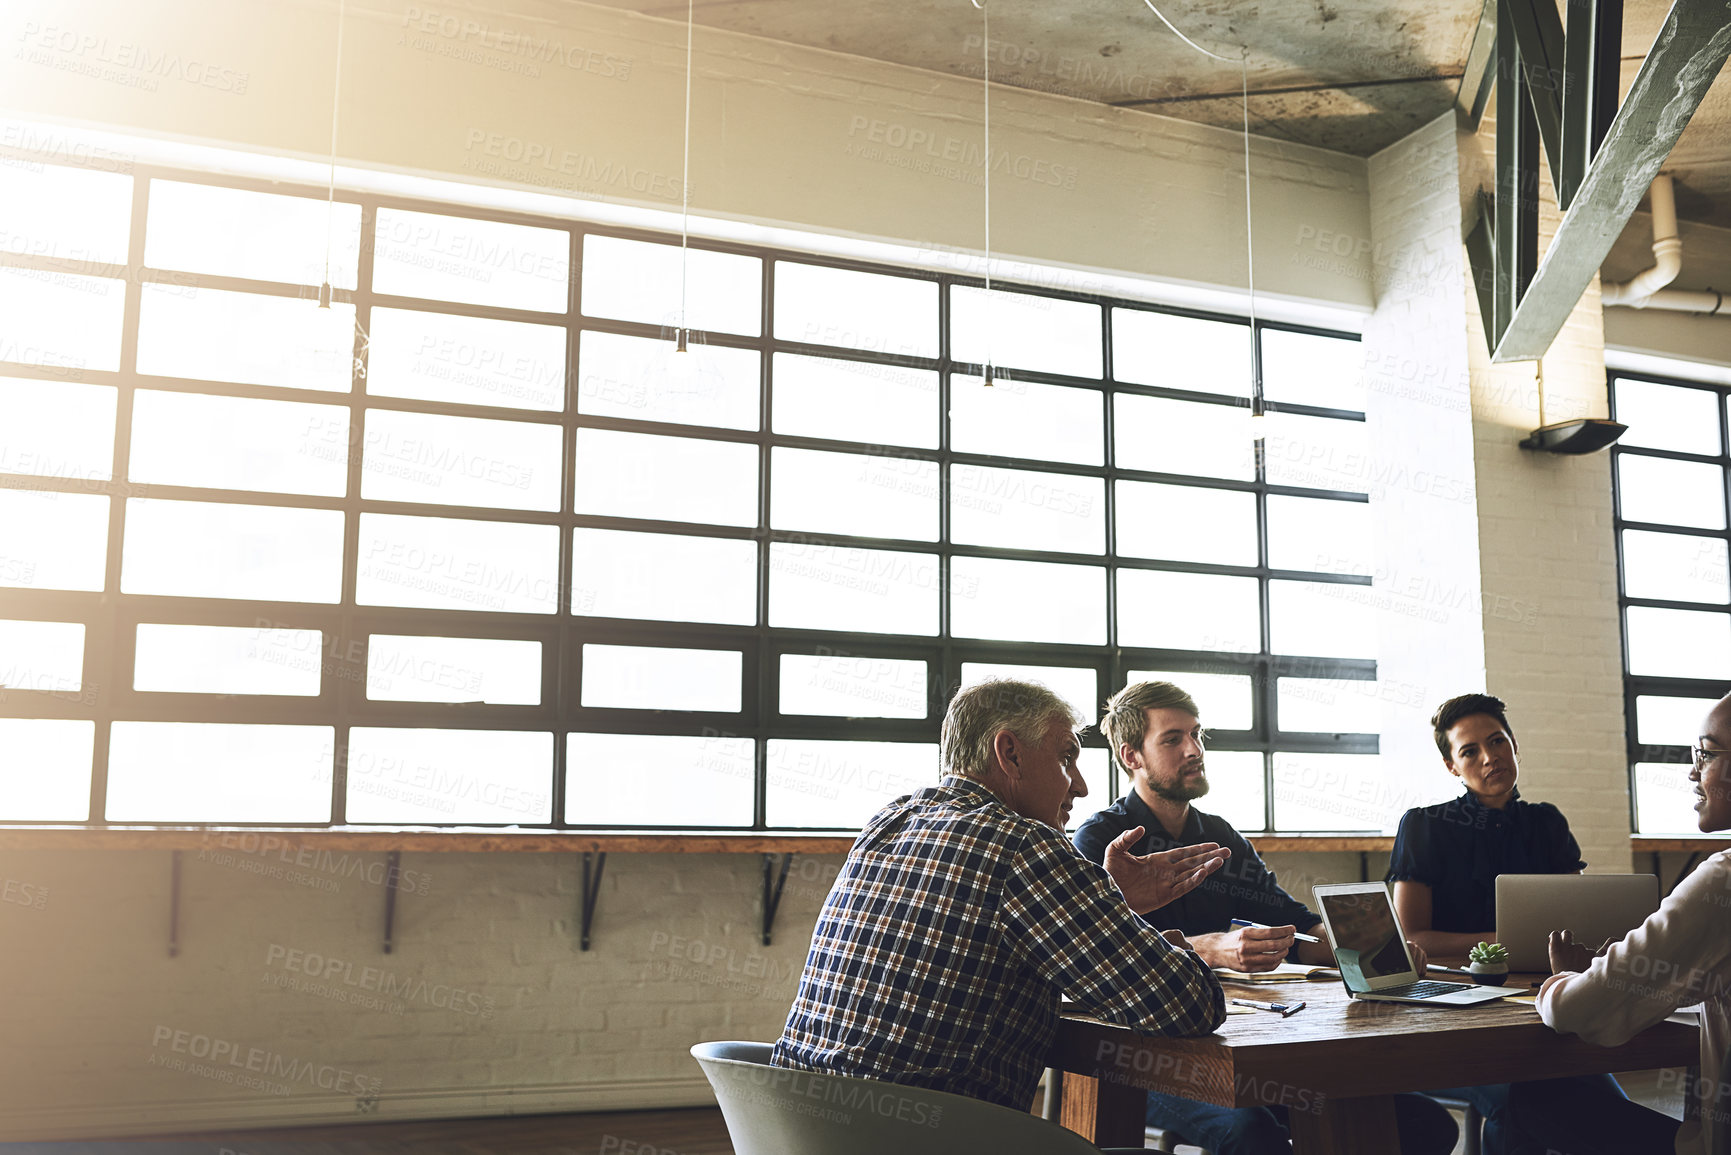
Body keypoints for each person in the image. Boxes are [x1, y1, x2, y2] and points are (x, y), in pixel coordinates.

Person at [772, 678, 1232, 1125]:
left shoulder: (890, 822)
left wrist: (1102, 902)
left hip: (793, 1127)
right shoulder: (1022, 846)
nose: (1080, 786)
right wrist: (1179, 947)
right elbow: (1189, 1006)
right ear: (1010, 753)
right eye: (1066, 758)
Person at [1074, 680, 1458, 1155]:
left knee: (1425, 1124)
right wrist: (1213, 949)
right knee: (1253, 1136)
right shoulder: (1100, 841)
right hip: (1143, 1057)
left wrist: (1371, 949)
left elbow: (1291, 920)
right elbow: (1096, 951)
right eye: (1173, 739)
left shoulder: (1220, 836)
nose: (1194, 750)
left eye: (1197, 735)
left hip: (1235, 1046)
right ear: (1132, 756)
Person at [1387, 693, 1665, 1155]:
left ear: (1514, 745)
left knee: (1598, 1107)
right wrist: (1501, 942)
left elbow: (1579, 920)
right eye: (1469, 750)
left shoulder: (1546, 823)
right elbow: (1411, 937)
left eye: (1497, 742)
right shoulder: (1423, 827)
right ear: (1451, 766)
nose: (1490, 757)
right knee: (1523, 1101)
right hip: (1457, 1017)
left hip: (1542, 1008)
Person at [1533, 691, 1731, 1155]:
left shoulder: (1722, 883)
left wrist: (1570, 980)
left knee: (1538, 1098)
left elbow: (1575, 1011)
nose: (1691, 771)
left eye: (1705, 753)